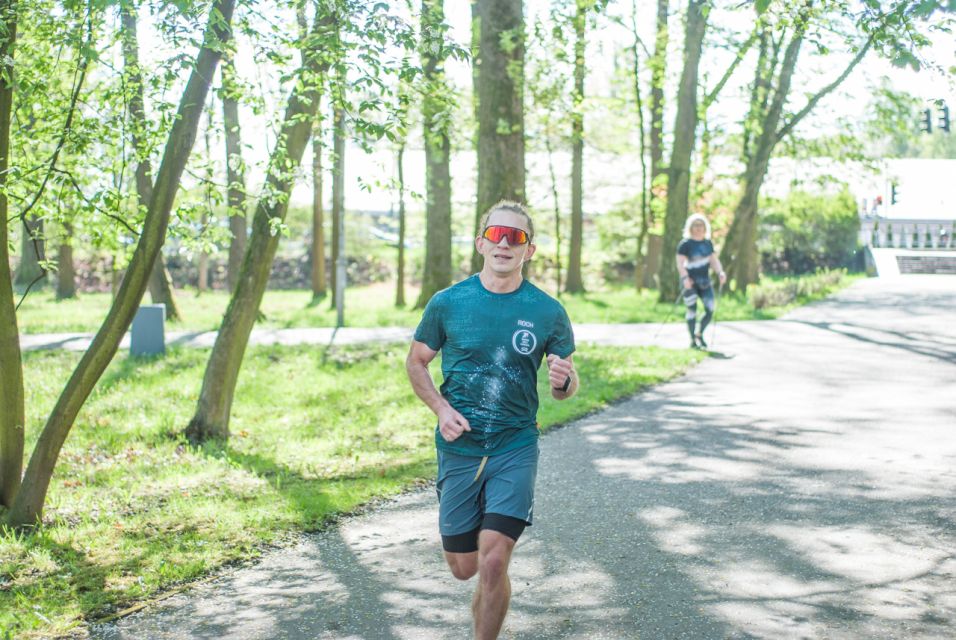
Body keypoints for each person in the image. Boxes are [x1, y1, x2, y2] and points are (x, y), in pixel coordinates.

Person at [405, 200, 579, 640]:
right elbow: (417, 362)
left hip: (514, 445)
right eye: (497, 235)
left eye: (516, 237)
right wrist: (442, 410)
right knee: (465, 568)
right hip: (459, 448)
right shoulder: (448, 303)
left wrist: (564, 380)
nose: (505, 243)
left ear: (530, 250)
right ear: (481, 243)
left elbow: (563, 388)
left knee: (494, 560)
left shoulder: (548, 311)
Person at [676, 213, 727, 349]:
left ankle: (700, 334)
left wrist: (720, 272)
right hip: (690, 282)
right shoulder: (685, 244)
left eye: (701, 225)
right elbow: (680, 264)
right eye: (695, 225)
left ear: (705, 228)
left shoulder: (707, 243)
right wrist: (685, 278)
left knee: (710, 310)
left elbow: (714, 260)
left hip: (705, 282)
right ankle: (692, 340)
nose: (698, 228)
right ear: (690, 228)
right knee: (691, 310)